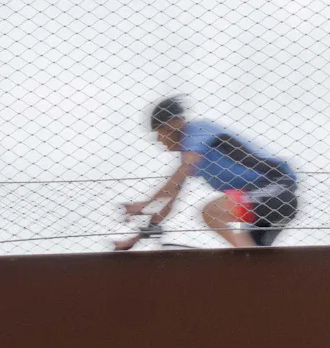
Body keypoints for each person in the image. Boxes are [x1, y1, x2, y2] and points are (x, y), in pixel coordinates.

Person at [118, 98, 301, 249]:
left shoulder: (196, 131)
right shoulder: (190, 159)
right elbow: (171, 197)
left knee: (212, 212)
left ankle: (248, 260)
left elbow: (175, 182)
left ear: (176, 124)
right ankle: (251, 265)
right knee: (246, 243)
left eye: (161, 131)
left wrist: (148, 205)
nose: (158, 139)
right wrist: (138, 237)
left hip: (277, 188)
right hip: (259, 203)